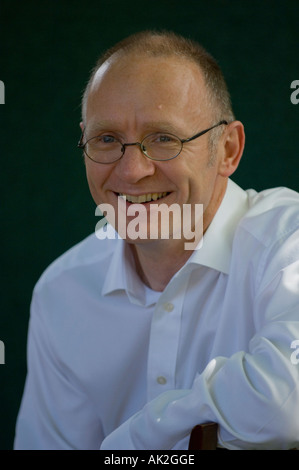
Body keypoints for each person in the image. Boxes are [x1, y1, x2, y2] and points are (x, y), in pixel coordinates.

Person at [14, 30, 299, 450]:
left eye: (164, 138)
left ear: (228, 150)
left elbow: (285, 408)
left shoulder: (286, 242)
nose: (131, 172)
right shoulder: (63, 291)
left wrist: (133, 442)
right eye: (107, 139)